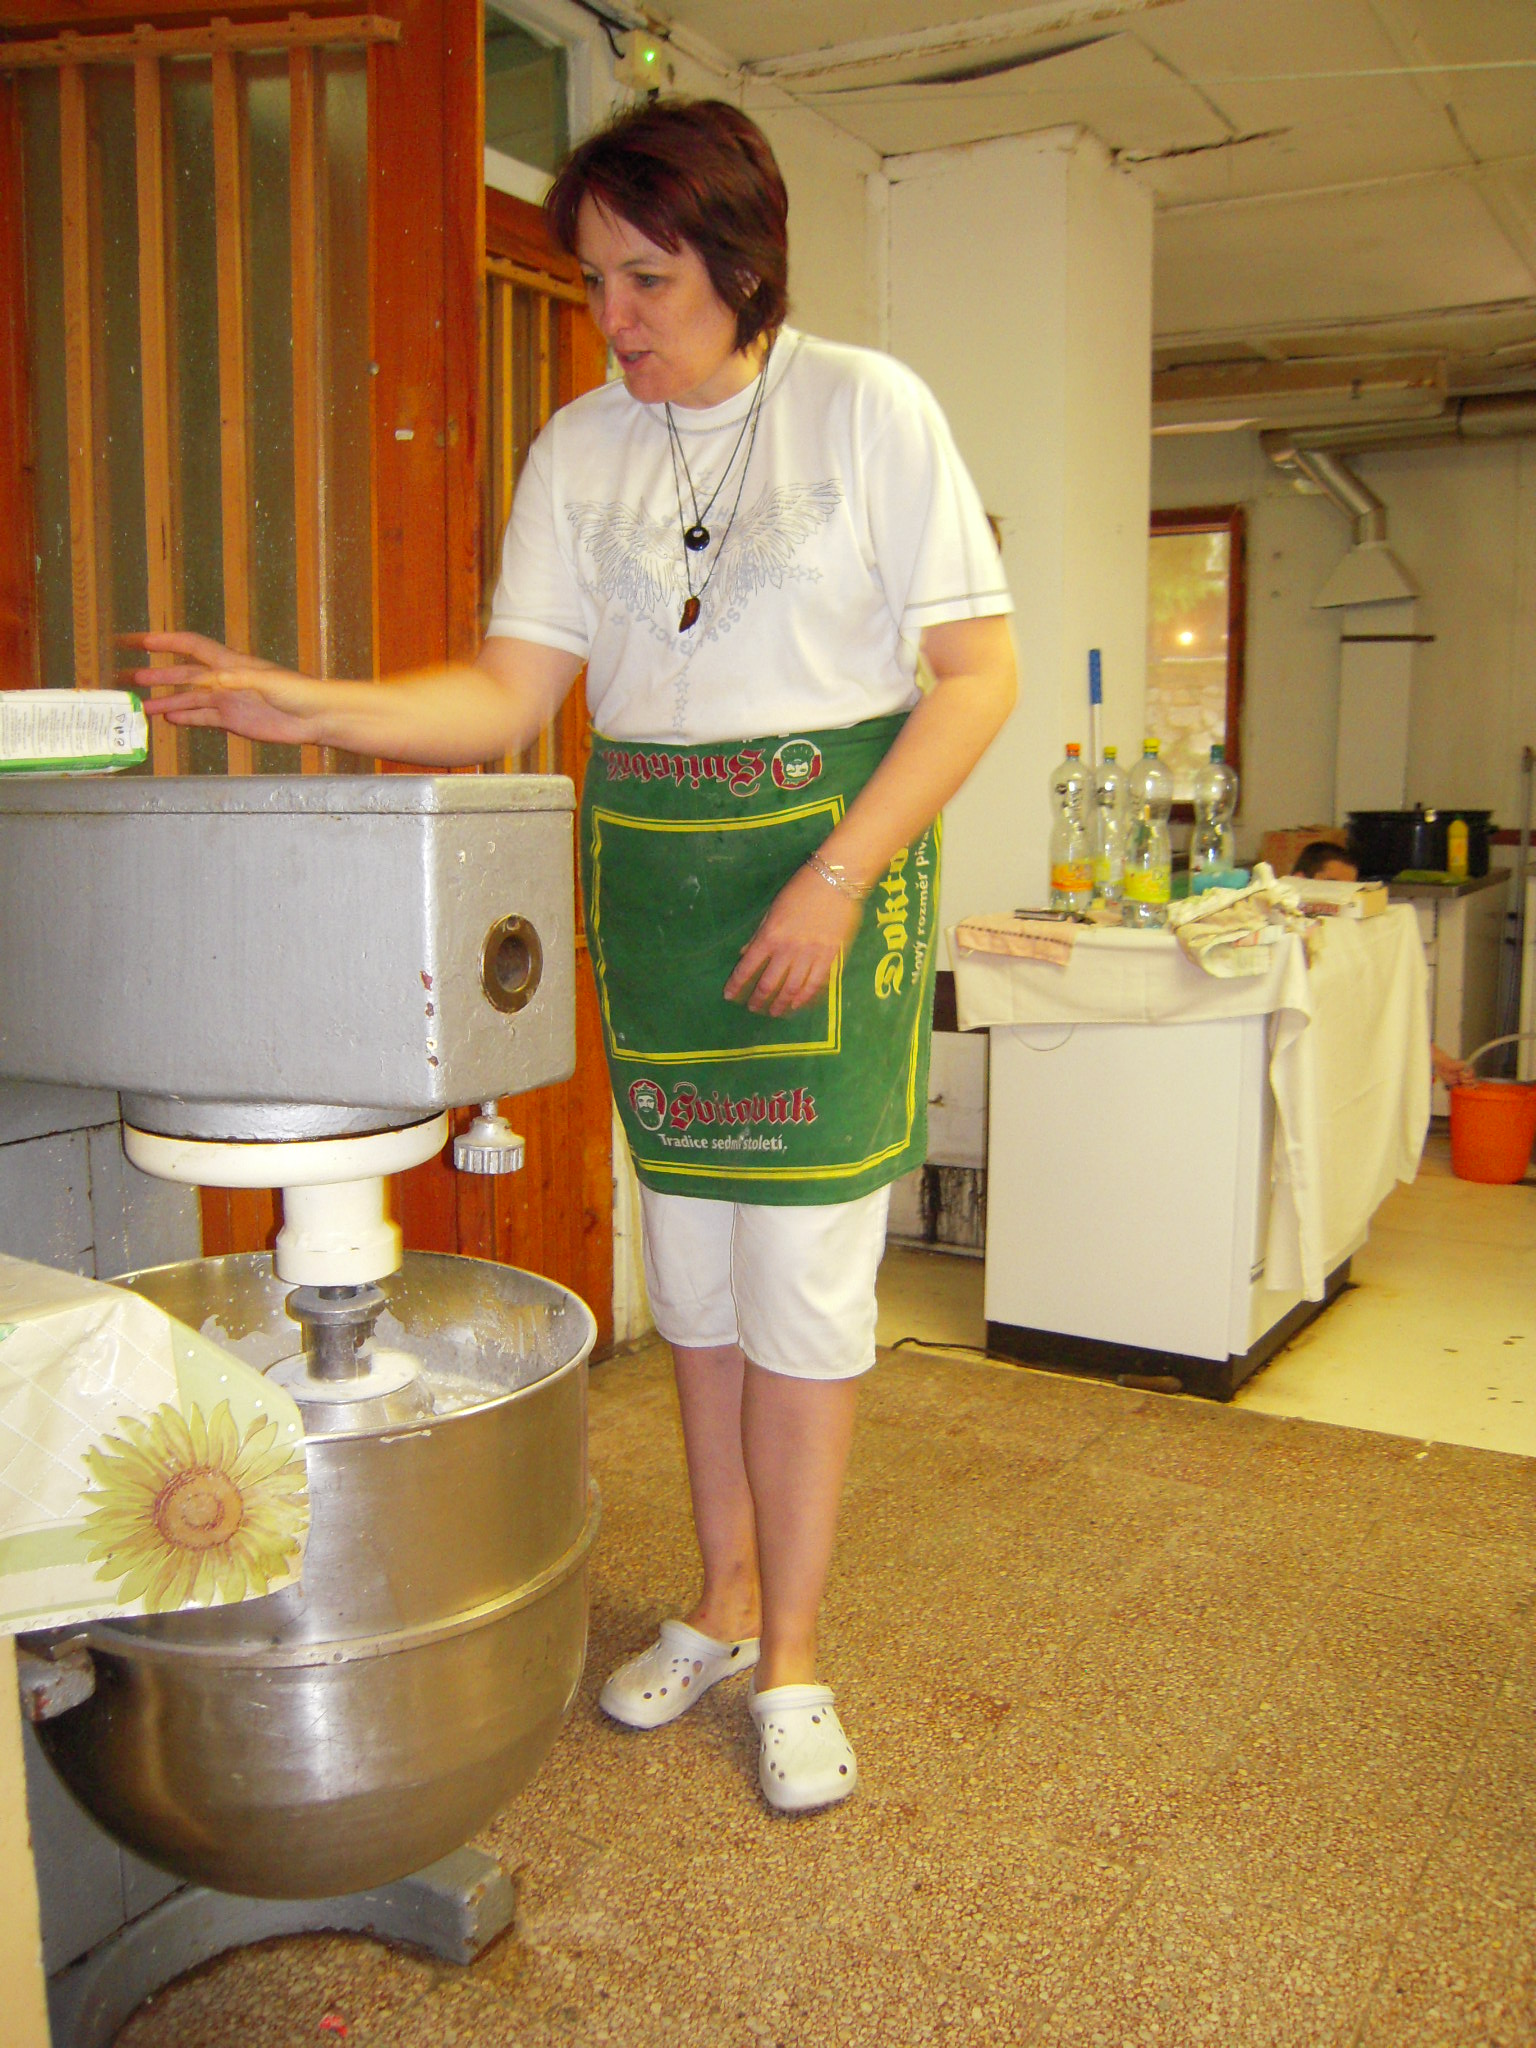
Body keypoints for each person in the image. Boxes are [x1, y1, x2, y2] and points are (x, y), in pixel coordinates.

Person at [127, 97, 1017, 1816]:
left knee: (803, 1286)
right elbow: (503, 695)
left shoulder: (865, 408)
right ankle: (725, 1600)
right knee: (696, 1285)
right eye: (596, 280)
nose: (612, 318)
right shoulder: (582, 447)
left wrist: (838, 876)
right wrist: (297, 703)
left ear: (741, 265)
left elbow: (978, 679)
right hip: (664, 886)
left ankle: (798, 1650)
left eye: (645, 280)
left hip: (828, 873)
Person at [1290, 844, 1476, 1088]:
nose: (1341, 897)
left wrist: (1438, 1059)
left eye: (1349, 890)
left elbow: (1385, 1010)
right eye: (1331, 884)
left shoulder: (1354, 948)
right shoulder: (1279, 940)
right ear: (1299, 880)